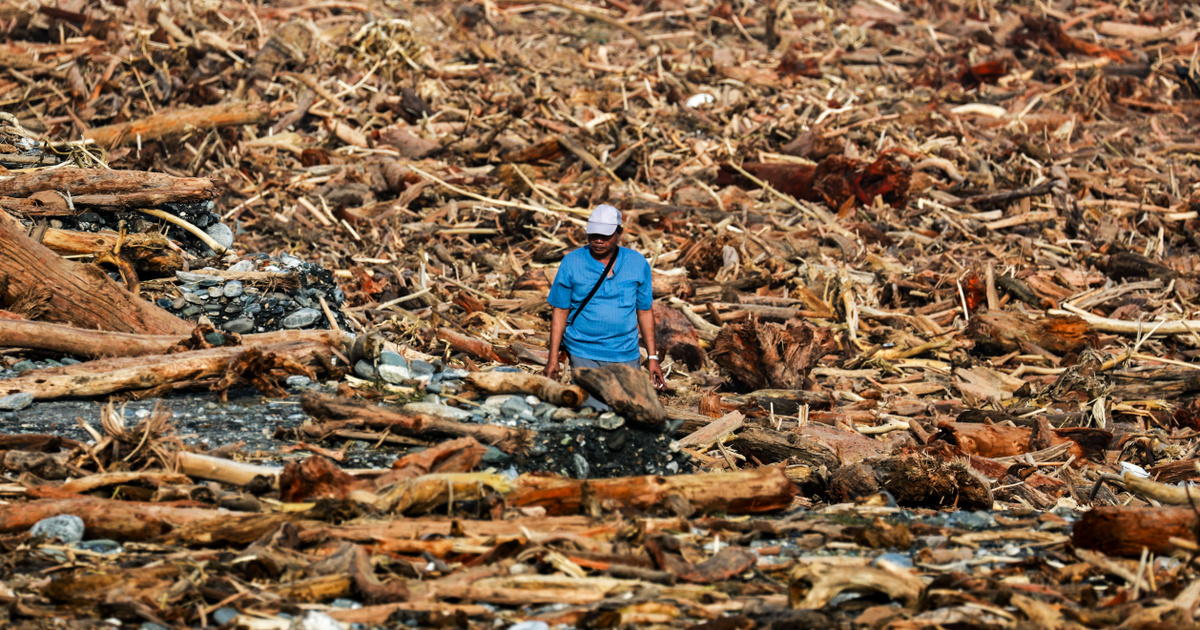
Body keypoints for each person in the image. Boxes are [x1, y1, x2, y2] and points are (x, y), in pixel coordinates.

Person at [543, 204, 667, 390]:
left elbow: (644, 311)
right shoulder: (572, 262)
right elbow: (560, 310)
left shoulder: (637, 263)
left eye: (605, 235)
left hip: (625, 354)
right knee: (593, 411)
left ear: (620, 234)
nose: (598, 240)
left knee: (628, 410)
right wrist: (553, 359)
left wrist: (653, 357)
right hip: (583, 351)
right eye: (594, 235)